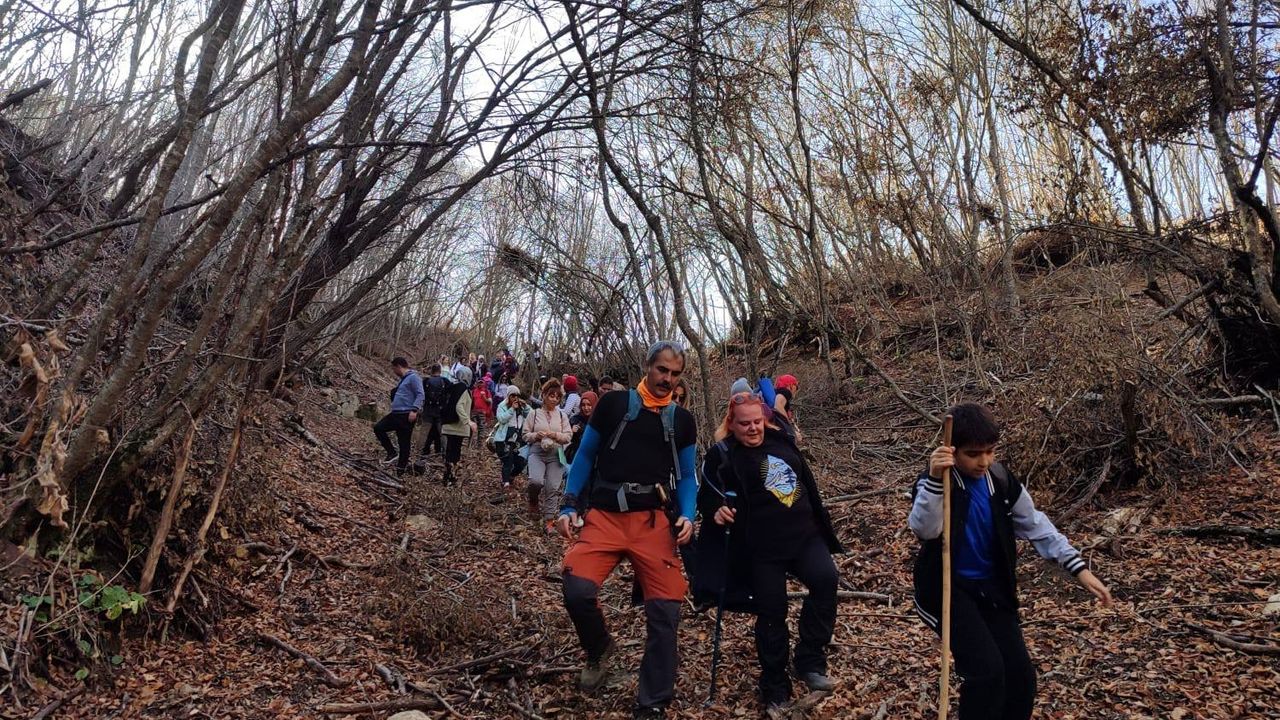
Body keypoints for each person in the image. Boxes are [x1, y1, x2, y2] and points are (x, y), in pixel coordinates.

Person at [909, 402, 1113, 720]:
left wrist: (1078, 569)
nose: (984, 461)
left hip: (992, 590)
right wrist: (936, 477)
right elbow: (925, 529)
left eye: (990, 452)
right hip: (947, 593)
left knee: (1020, 680)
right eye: (973, 454)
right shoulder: (936, 483)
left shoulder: (1000, 482)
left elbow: (1036, 524)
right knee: (987, 673)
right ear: (952, 450)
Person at [555, 341, 697, 720]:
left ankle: (652, 704)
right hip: (604, 515)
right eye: (662, 370)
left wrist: (688, 514)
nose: (667, 379)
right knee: (576, 587)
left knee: (666, 612)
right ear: (648, 367)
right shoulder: (614, 405)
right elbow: (585, 455)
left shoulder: (681, 421)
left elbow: (687, 476)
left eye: (675, 373)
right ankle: (600, 649)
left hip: (653, 522)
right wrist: (570, 503)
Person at [696, 392, 843, 715]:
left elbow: (807, 481)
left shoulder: (782, 441)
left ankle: (810, 661)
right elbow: (706, 496)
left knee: (826, 581)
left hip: (804, 536)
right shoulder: (722, 455)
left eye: (757, 422)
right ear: (731, 425)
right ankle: (775, 684)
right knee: (772, 612)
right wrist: (716, 510)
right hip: (762, 549)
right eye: (745, 423)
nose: (753, 429)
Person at [524, 378, 571, 529]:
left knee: (553, 486)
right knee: (535, 481)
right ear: (544, 395)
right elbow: (525, 434)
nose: (554, 400)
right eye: (551, 396)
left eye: (558, 397)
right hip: (537, 451)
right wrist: (536, 436)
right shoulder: (534, 413)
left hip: (556, 453)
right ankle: (533, 500)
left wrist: (555, 435)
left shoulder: (562, 416)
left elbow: (568, 436)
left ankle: (549, 521)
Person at [374, 357, 424, 474]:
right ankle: (392, 452)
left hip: (406, 414)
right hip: (396, 413)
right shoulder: (404, 379)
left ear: (399, 366)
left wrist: (414, 410)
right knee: (378, 428)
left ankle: (400, 471)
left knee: (404, 443)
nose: (394, 372)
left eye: (394, 369)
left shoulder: (413, 378)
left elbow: (420, 394)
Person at [440, 367, 473, 485]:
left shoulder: (452, 387)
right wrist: (468, 422)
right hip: (458, 427)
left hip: (449, 425)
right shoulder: (463, 389)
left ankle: (447, 477)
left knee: (450, 452)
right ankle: (450, 478)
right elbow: (459, 407)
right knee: (454, 453)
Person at [492, 385, 530, 489]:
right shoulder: (502, 406)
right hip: (504, 438)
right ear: (508, 396)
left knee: (520, 462)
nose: (515, 398)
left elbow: (531, 415)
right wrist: (512, 409)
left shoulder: (521, 407)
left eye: (517, 395)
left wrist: (525, 406)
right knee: (507, 460)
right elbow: (501, 419)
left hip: (518, 438)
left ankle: (511, 476)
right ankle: (505, 482)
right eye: (512, 395)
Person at [418, 364, 447, 459]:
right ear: (440, 371)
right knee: (442, 433)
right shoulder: (445, 381)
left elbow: (421, 394)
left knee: (424, 432)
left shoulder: (426, 381)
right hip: (440, 411)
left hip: (428, 410)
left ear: (432, 371)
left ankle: (420, 453)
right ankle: (445, 454)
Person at [565, 390, 597, 464]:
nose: (586, 408)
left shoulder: (598, 420)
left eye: (589, 405)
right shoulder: (575, 419)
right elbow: (566, 438)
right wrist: (571, 432)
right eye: (583, 405)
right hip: (576, 455)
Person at [471, 379, 493, 448]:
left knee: (481, 428)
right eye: (479, 383)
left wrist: (484, 398)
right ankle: (471, 443)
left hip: (482, 412)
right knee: (472, 428)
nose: (480, 384)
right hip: (474, 411)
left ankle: (479, 444)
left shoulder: (486, 391)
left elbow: (490, 401)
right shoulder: (474, 391)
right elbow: (471, 401)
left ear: (484, 384)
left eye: (481, 383)